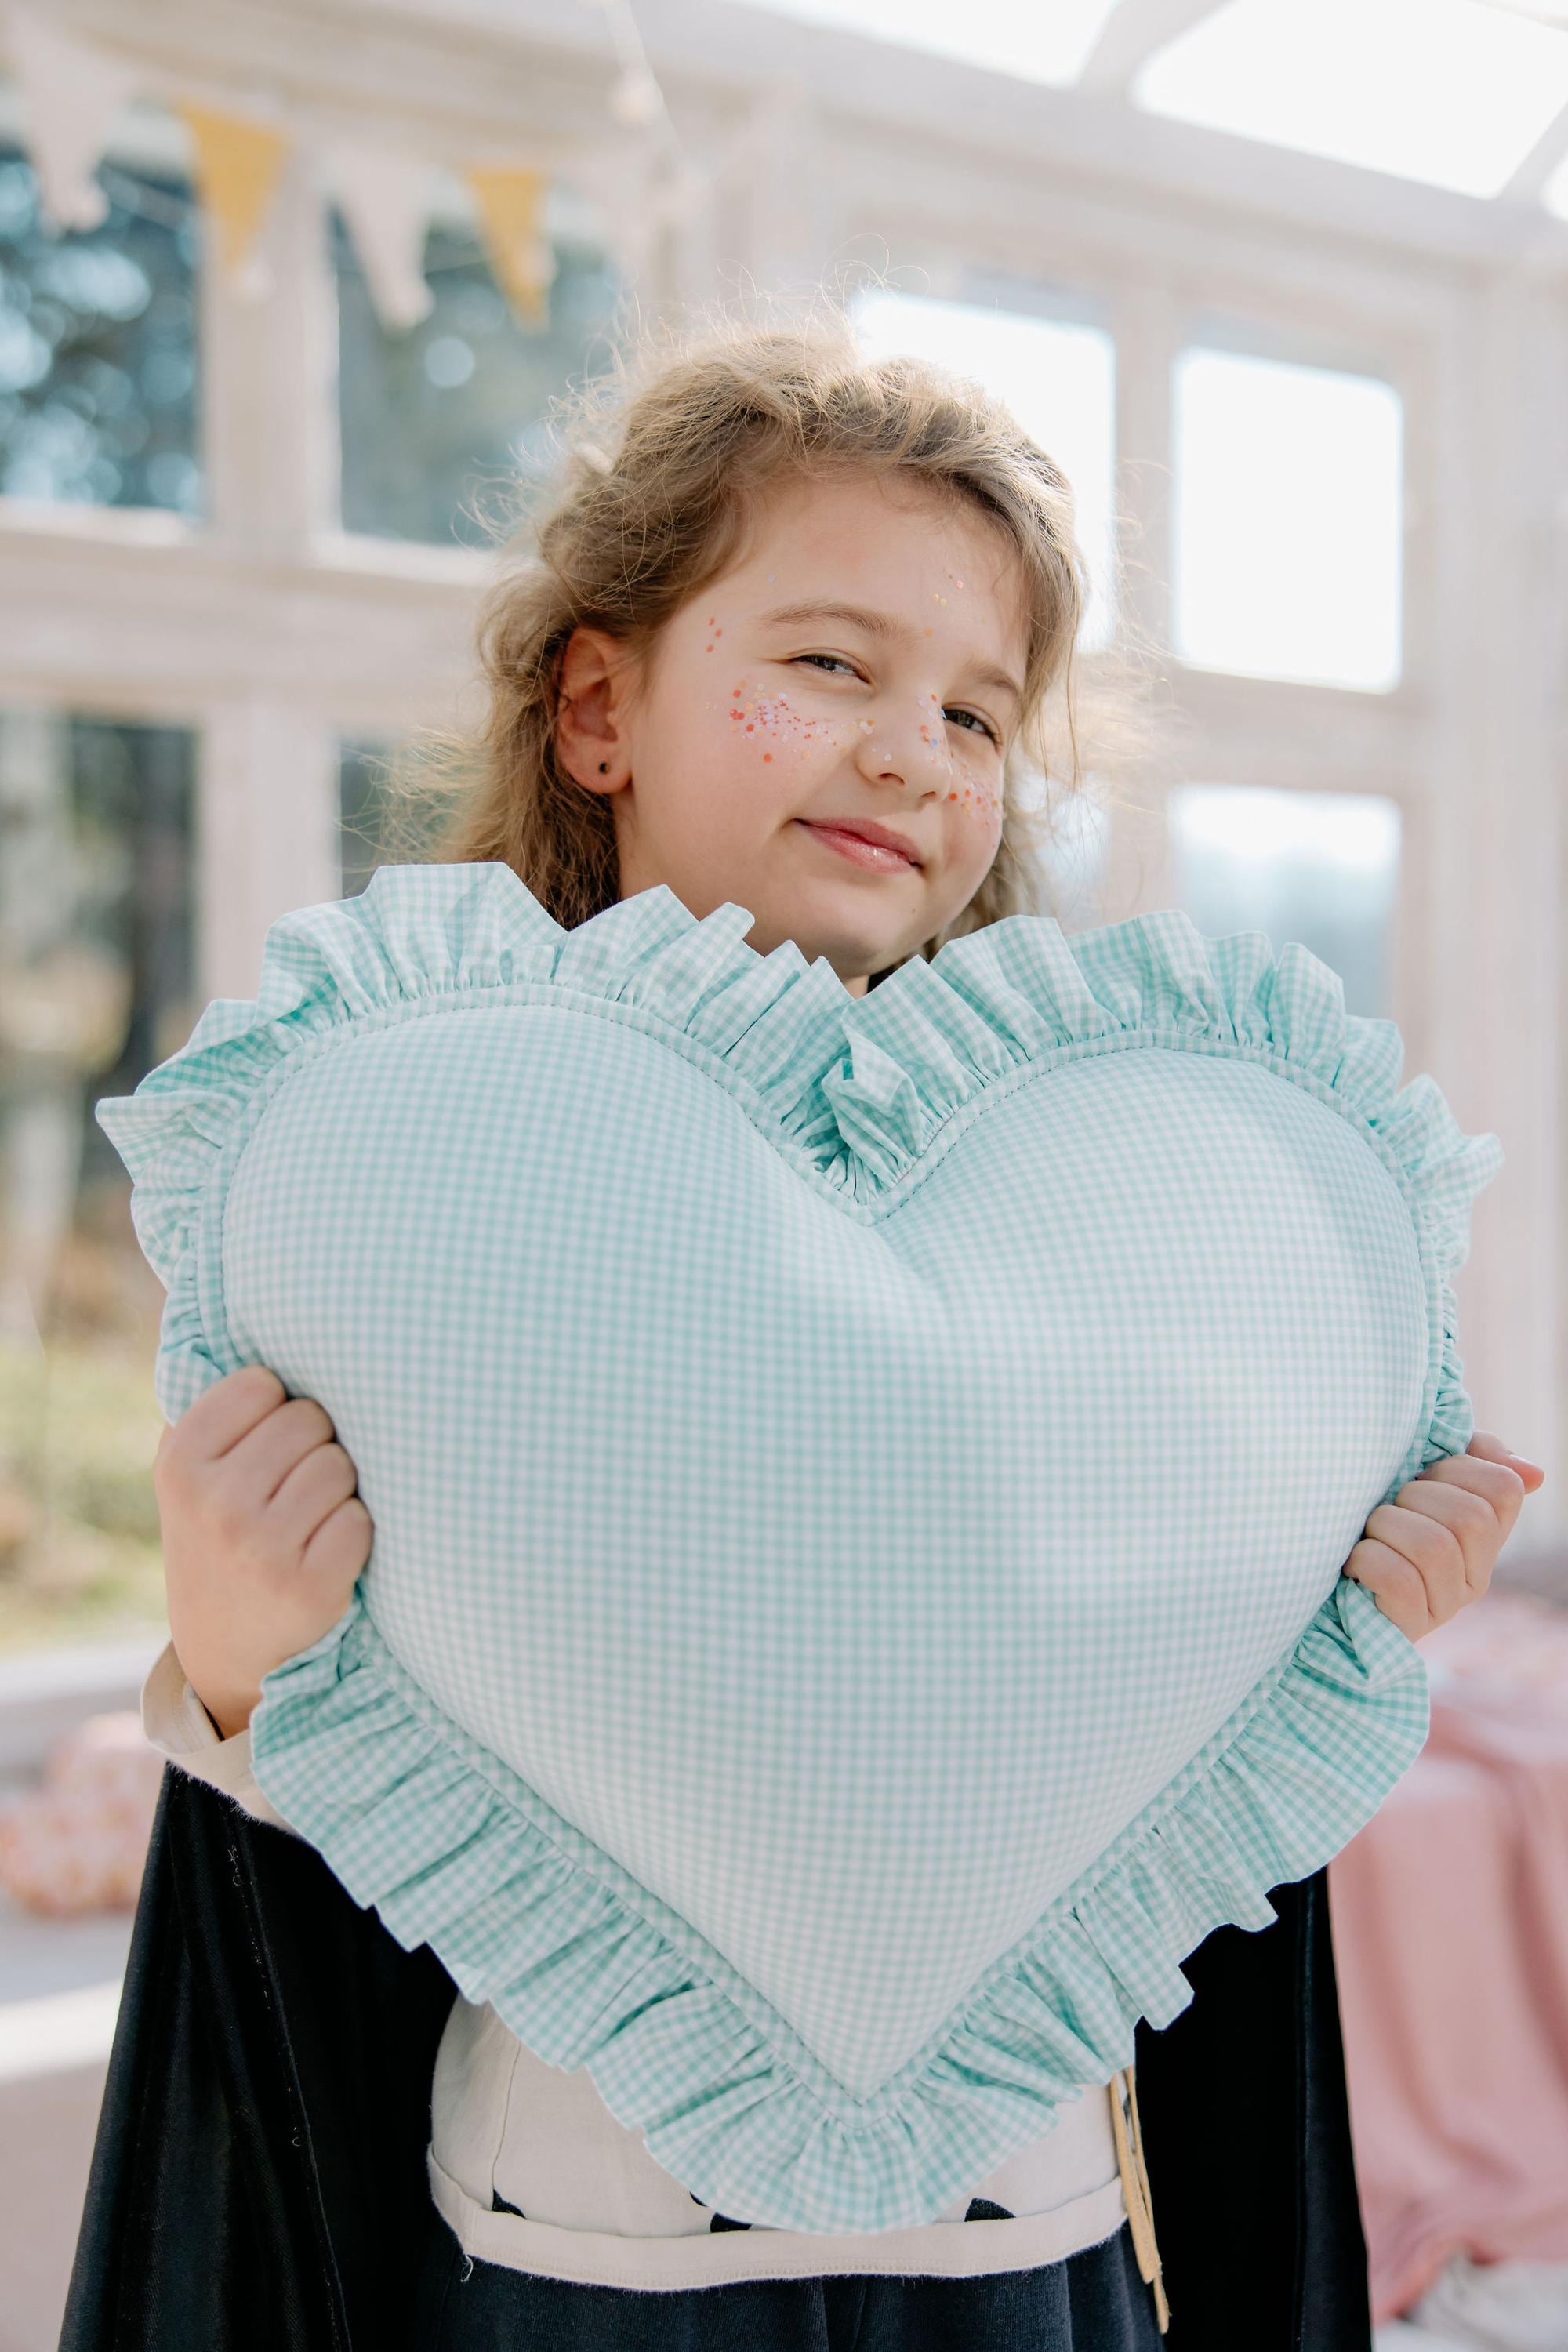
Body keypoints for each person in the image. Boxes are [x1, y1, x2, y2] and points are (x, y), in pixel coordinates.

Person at [62, 307, 1544, 2352]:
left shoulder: (1120, 1231)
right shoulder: (415, 1183)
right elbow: (325, 1916)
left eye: (978, 713)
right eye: (832, 665)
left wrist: (1330, 1630)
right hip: (568, 2276)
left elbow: (1145, 1752)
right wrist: (237, 1678)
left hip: (1030, 2261)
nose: (914, 753)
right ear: (602, 706)